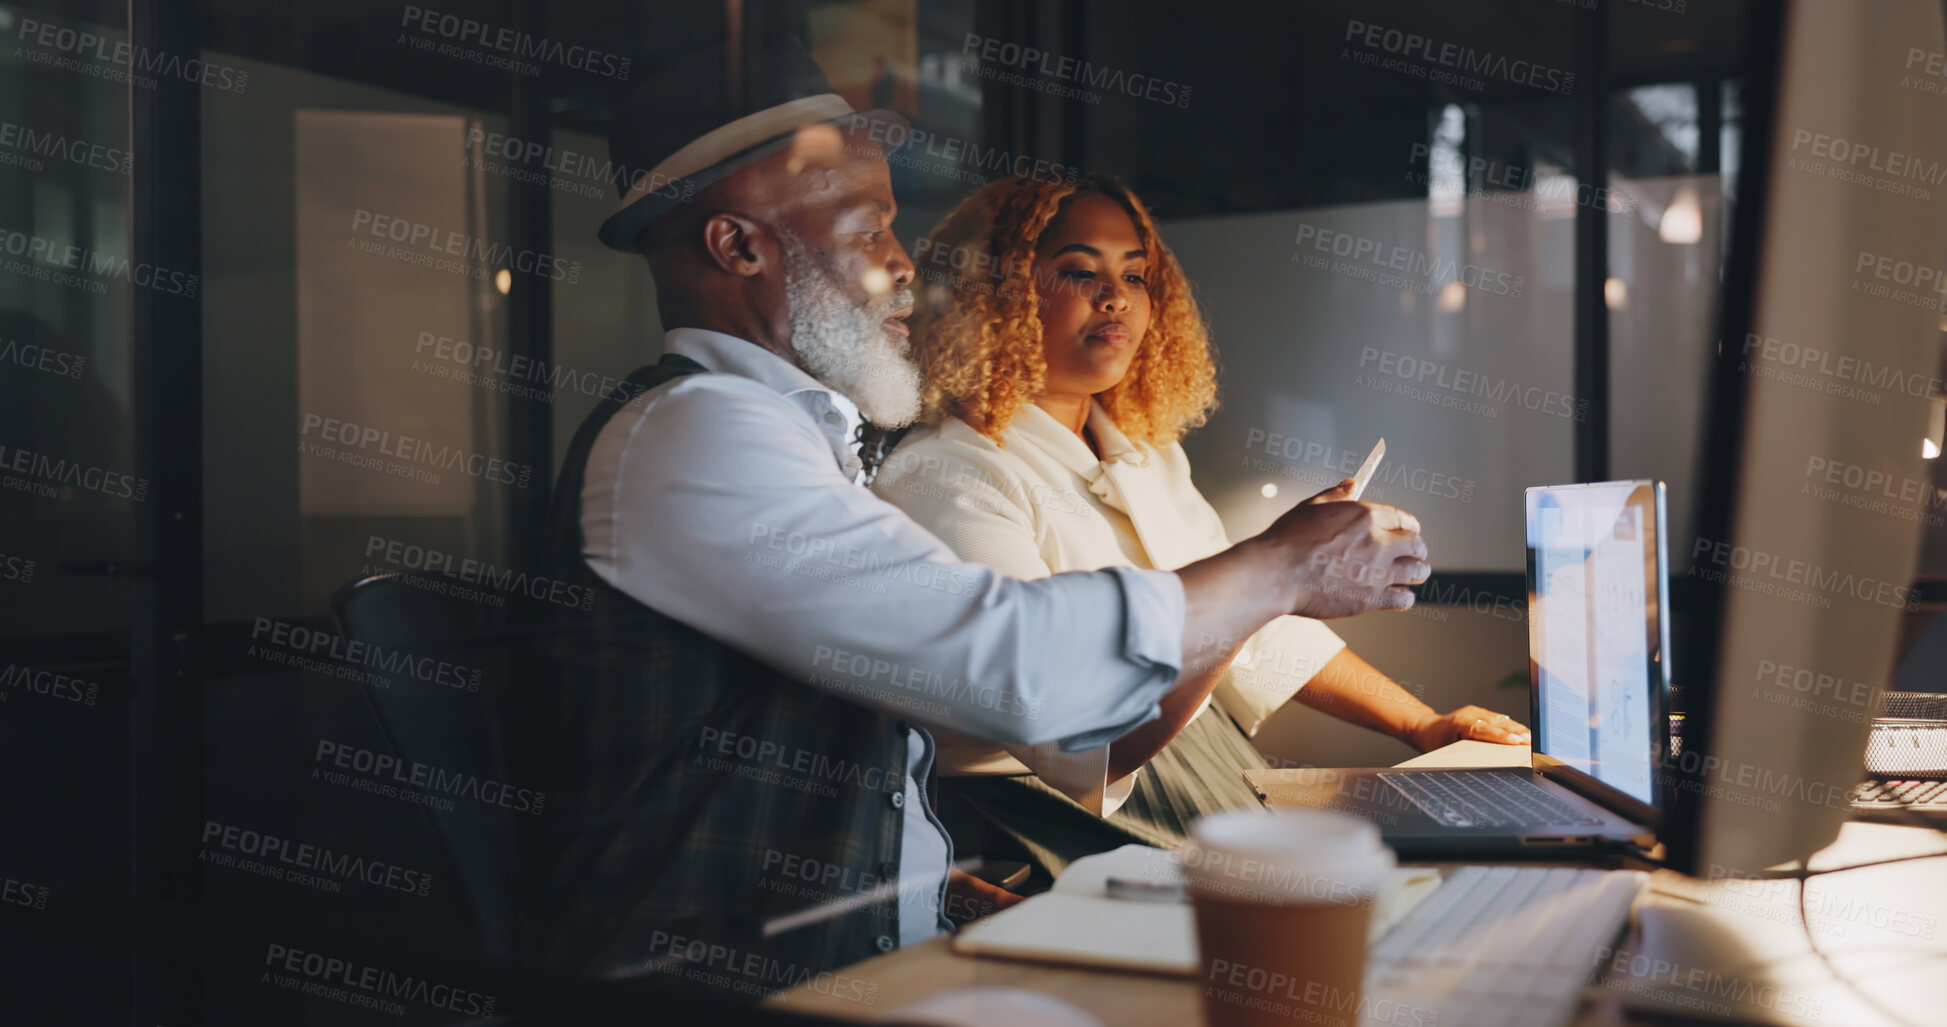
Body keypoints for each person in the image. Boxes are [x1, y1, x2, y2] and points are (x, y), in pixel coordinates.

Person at [522, 42, 1433, 996]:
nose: (900, 264)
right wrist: (1280, 569)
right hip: (733, 990)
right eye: (866, 226)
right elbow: (1020, 670)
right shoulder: (699, 431)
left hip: (852, 950)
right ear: (738, 246)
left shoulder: (790, 440)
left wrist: (945, 893)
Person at [869, 172, 1529, 880]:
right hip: (1056, 810)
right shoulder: (947, 475)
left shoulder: (1144, 457)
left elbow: (1259, 630)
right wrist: (1275, 571)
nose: (1114, 295)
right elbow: (1078, 736)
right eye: (1076, 270)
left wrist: (1422, 726)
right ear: (991, 297)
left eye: (1134, 273)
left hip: (1189, 758)